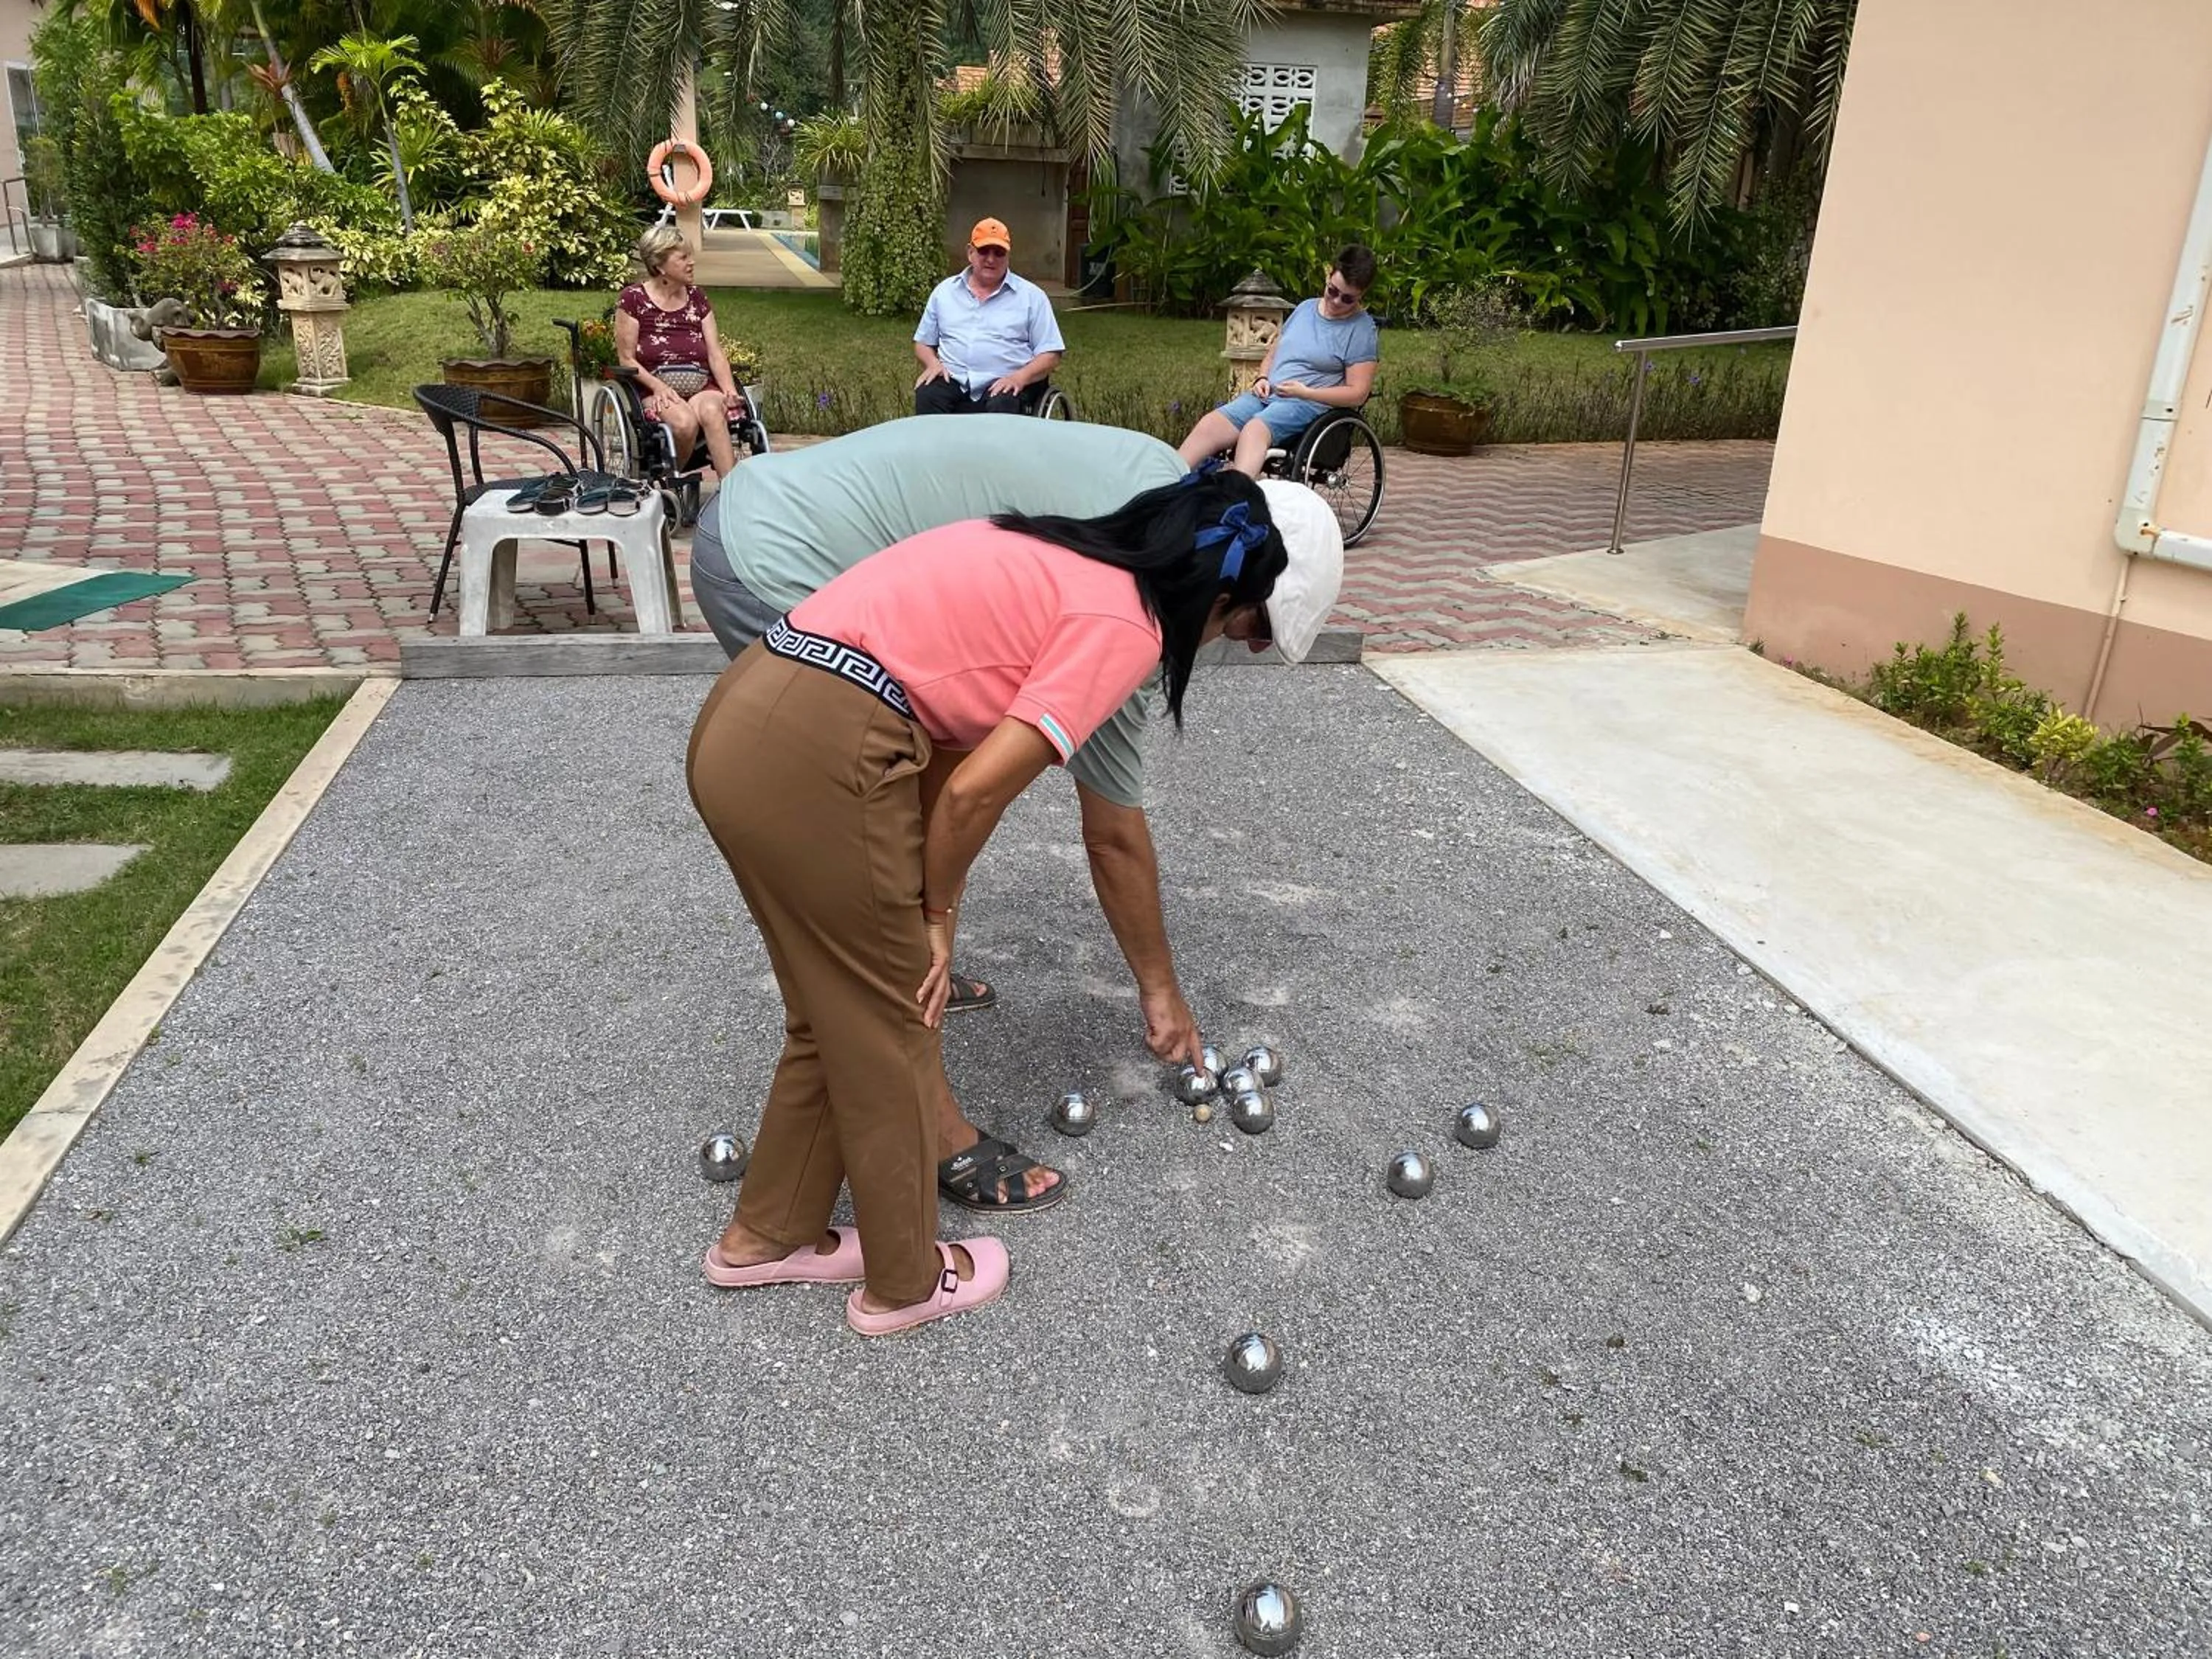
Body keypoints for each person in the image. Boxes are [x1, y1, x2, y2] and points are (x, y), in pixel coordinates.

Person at [686, 470, 1343, 1335]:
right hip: (826, 747)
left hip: (747, 721)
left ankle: (766, 1235)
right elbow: (970, 796)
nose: (1245, 645)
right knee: (894, 1018)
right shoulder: (1125, 623)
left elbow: (945, 740)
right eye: (1252, 625)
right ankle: (905, 1281)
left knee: (834, 1010)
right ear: (1223, 589)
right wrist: (932, 916)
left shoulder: (1062, 553)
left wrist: (923, 902)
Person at [1179, 245, 1380, 479]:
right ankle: (1163, 485)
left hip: (1306, 405)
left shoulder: (1361, 329)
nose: (1336, 301)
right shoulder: (1306, 308)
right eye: (1332, 291)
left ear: (1361, 295)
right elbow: (1274, 354)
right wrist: (1263, 377)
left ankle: (1238, 501)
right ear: (1328, 275)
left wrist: (1307, 393)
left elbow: (1358, 393)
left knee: (1254, 431)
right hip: (1267, 395)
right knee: (1211, 424)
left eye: (1347, 299)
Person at [615, 226, 743, 484]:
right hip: (655, 390)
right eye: (683, 258)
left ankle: (732, 492)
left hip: (700, 386)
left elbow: (715, 352)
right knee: (683, 423)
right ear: (660, 265)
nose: (691, 263)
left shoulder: (697, 298)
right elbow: (626, 359)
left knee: (711, 410)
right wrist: (658, 387)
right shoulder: (633, 300)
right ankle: (667, 482)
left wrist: (729, 391)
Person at [912, 218, 1065, 416]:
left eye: (999, 252)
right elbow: (922, 342)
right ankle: (936, 448)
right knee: (928, 394)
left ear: (1008, 255)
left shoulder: (1032, 297)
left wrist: (1019, 378)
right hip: (954, 378)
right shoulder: (944, 292)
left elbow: (1051, 354)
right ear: (970, 252)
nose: (991, 259)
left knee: (1003, 404)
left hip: (1006, 382)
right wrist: (933, 364)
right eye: (984, 251)